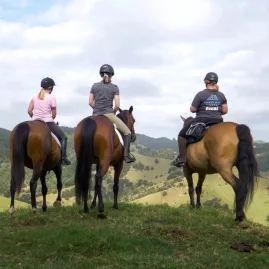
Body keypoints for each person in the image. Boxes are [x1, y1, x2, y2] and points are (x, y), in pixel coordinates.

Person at [172, 72, 228, 167]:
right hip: (218, 121)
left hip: (202, 120)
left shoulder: (201, 94)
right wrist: (215, 110)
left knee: (181, 135)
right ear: (215, 82)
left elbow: (192, 109)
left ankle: (182, 158)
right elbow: (225, 110)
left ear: (206, 82)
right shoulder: (221, 95)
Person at [89, 64, 136, 163]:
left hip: (95, 114)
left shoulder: (94, 86)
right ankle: (126, 155)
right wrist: (113, 112)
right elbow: (117, 105)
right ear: (111, 75)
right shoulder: (114, 88)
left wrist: (97, 108)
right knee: (127, 132)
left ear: (101, 75)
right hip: (109, 114)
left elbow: (90, 102)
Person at [27, 77, 71, 165]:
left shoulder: (34, 96)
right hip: (48, 122)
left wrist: (35, 118)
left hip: (35, 121)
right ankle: (63, 158)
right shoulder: (52, 98)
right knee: (64, 137)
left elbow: (29, 110)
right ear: (51, 88)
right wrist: (48, 119)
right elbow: (54, 114)